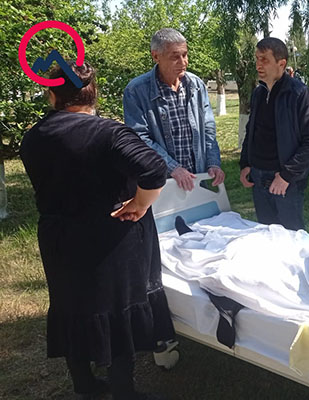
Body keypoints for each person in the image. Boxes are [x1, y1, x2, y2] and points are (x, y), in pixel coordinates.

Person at [20, 62, 175, 400]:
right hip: (109, 238)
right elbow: (154, 170)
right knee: (117, 311)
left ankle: (85, 384)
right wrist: (141, 204)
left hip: (59, 237)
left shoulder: (33, 138)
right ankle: (122, 389)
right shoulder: (109, 133)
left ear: (52, 95)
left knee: (70, 307)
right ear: (93, 94)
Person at [123, 28, 225, 192]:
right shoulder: (136, 90)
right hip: (160, 184)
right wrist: (173, 168)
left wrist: (213, 163)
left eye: (185, 55)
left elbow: (208, 128)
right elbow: (140, 138)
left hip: (197, 180)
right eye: (175, 57)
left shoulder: (196, 85)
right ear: (156, 56)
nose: (183, 62)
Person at [239, 37, 309, 230]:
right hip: (258, 177)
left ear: (281, 63)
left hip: (285, 180)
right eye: (257, 59)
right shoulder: (258, 93)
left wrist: (286, 176)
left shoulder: (299, 94)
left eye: (264, 59)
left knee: (291, 237)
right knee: (267, 234)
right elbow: (252, 131)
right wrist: (245, 164)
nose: (258, 65)